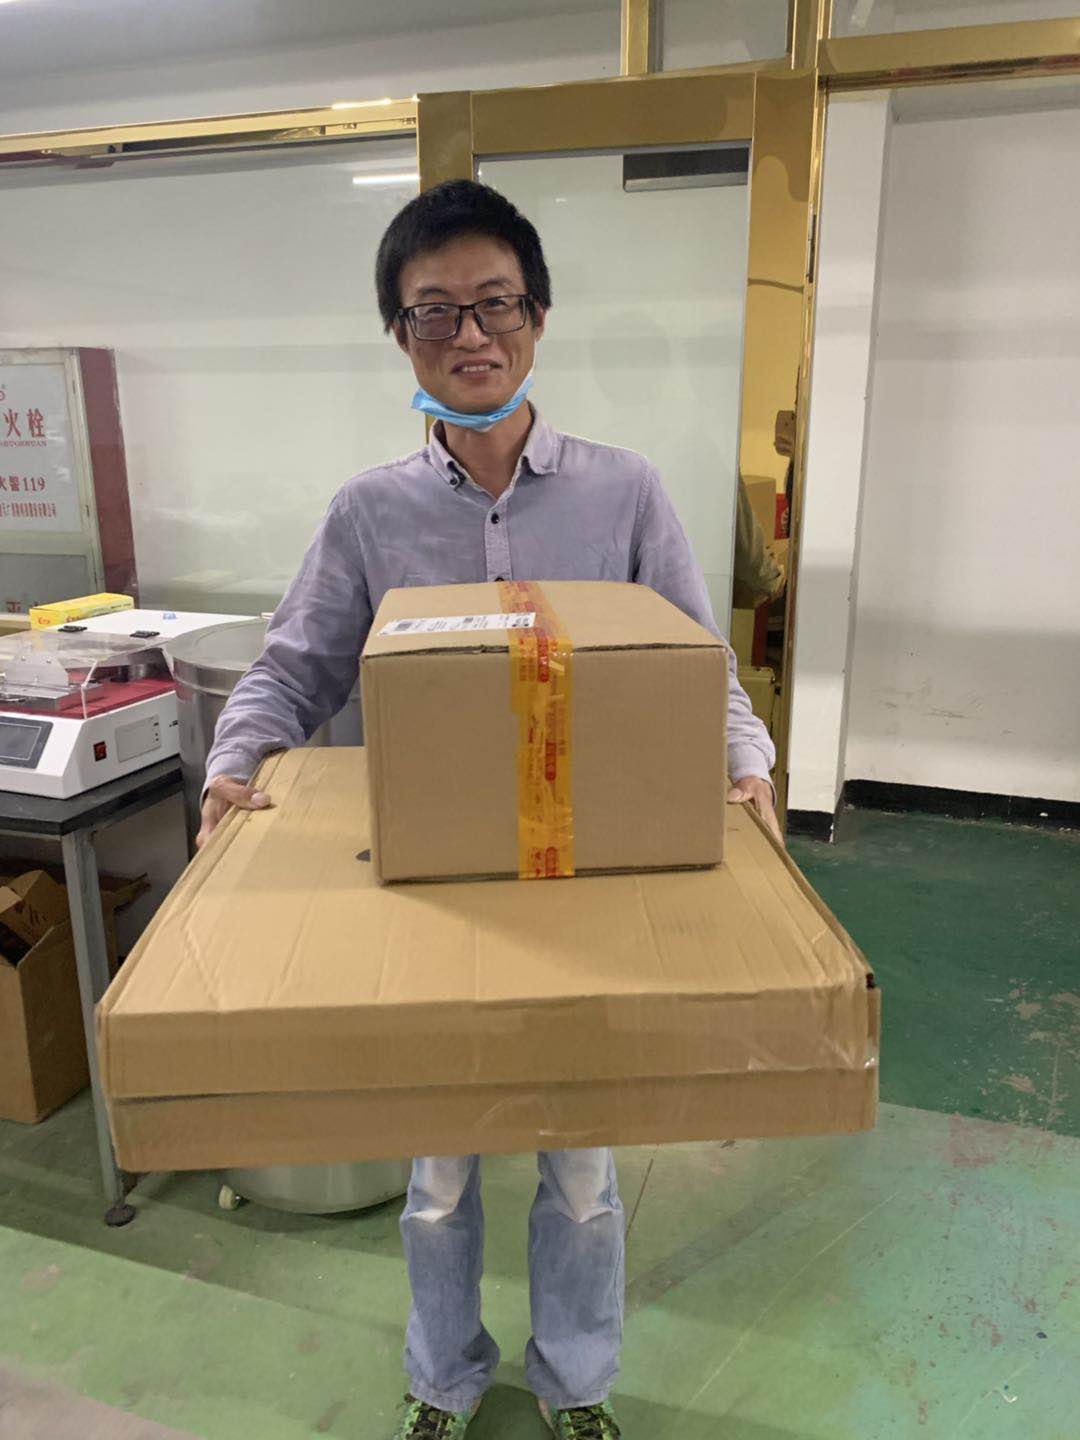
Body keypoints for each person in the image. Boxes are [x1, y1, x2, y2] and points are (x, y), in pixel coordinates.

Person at [198, 180, 779, 1440]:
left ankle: (577, 1385)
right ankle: (443, 1381)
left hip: (591, 878)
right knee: (438, 1175)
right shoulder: (370, 513)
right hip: (435, 885)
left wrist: (747, 764)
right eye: (435, 312)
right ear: (400, 336)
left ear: (539, 317)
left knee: (582, 1172)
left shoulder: (624, 494)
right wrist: (233, 763)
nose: (470, 334)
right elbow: (295, 666)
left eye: (496, 304)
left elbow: (700, 664)